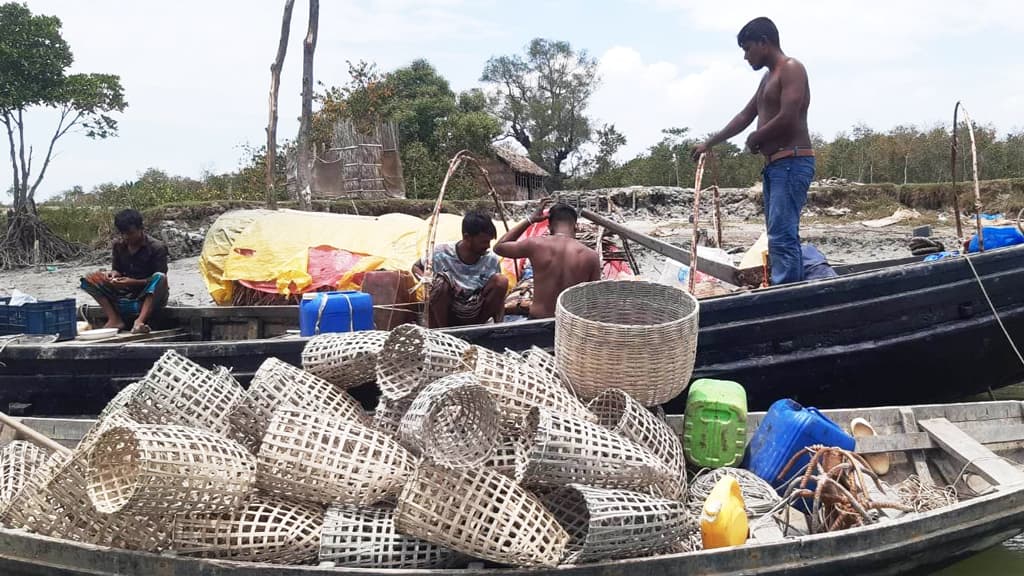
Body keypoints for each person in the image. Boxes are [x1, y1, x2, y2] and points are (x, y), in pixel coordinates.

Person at [693, 16, 814, 285]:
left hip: (792, 162)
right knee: (776, 234)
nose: (746, 57)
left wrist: (756, 137)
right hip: (775, 166)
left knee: (783, 235)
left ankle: (788, 295)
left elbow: (790, 116)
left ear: (764, 42)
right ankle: (786, 288)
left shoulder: (791, 68)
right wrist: (710, 143)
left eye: (748, 49)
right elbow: (744, 115)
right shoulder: (767, 78)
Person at [493, 199, 601, 319]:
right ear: (576, 227)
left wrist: (530, 220)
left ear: (549, 227)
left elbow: (499, 247)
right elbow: (594, 302)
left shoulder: (536, 244)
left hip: (538, 321)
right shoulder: (591, 256)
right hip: (570, 324)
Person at [413, 211, 509, 328]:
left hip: (475, 311)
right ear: (467, 237)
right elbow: (416, 267)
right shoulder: (441, 252)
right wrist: (426, 280)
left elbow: (499, 298)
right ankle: (444, 331)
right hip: (446, 312)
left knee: (501, 280)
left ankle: (476, 329)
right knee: (441, 283)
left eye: (489, 241)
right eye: (483, 242)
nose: (488, 246)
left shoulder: (490, 260)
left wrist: (500, 325)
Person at [81, 209, 169, 333]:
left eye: (130, 233)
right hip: (124, 294)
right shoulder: (118, 245)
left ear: (141, 228)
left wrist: (133, 282)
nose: (126, 237)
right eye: (122, 233)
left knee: (160, 277)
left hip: (149, 295)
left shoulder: (157, 247)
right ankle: (114, 319)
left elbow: (159, 280)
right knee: (89, 280)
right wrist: (112, 274)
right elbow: (117, 269)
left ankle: (139, 321)